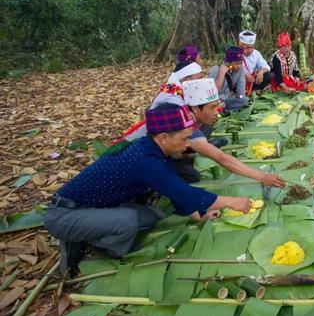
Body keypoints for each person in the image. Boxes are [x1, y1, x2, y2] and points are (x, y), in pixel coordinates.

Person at [44, 104, 253, 276]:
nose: (187, 145)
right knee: (128, 221)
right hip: (64, 215)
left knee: (151, 217)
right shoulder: (143, 160)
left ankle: (97, 230)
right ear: (163, 137)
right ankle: (102, 247)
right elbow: (186, 193)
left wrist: (198, 214)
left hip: (93, 208)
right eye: (184, 139)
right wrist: (231, 201)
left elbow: (174, 188)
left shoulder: (153, 149)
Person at [174, 78, 286, 187]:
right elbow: (222, 158)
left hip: (178, 149)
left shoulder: (191, 115)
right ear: (195, 109)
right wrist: (262, 177)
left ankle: (191, 153)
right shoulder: (184, 122)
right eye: (212, 108)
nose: (217, 113)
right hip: (160, 161)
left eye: (216, 107)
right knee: (190, 178)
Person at [209, 46, 249, 111]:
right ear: (228, 62)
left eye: (241, 63)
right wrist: (222, 73)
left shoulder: (240, 70)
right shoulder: (215, 70)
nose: (239, 66)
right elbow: (212, 93)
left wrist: (242, 99)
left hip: (227, 101)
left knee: (245, 101)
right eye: (236, 63)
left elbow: (241, 91)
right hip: (215, 102)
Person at [238, 30, 272, 95]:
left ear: (253, 47)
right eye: (242, 47)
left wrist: (261, 72)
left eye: (248, 48)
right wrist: (244, 75)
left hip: (252, 81)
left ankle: (254, 90)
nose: (245, 51)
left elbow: (266, 66)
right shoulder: (235, 52)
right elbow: (230, 67)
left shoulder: (256, 53)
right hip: (239, 81)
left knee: (268, 75)